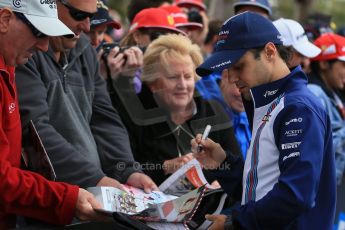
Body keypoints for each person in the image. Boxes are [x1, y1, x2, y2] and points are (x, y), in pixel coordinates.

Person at [193, 12, 336, 229]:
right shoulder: (268, 101)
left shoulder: (297, 107)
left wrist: (234, 223)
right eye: (227, 69)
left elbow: (296, 195)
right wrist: (222, 163)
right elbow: (262, 188)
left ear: (270, 51)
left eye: (238, 66)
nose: (231, 78)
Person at [15, 0, 157, 193]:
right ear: (50, 5)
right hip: (46, 197)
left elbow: (104, 118)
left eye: (90, 16)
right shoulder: (24, 52)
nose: (87, 26)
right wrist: (95, 178)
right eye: (79, 15)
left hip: (89, 192)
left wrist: (127, 170)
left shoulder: (85, 50)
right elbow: (35, 130)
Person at [0, 0, 105, 228]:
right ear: (5, 20)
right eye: (39, 32)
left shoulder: (9, 65)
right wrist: (66, 198)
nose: (44, 46)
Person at [120, 34, 241, 185]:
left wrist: (221, 182)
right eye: (173, 77)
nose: (183, 85)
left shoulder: (213, 111)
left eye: (188, 76)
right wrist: (166, 167)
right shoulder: (135, 114)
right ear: (153, 83)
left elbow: (235, 165)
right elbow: (121, 168)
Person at [307, 33, 345, 186]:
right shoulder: (314, 94)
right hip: (319, 188)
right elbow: (318, 146)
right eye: (343, 65)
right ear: (323, 64)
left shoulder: (334, 93)